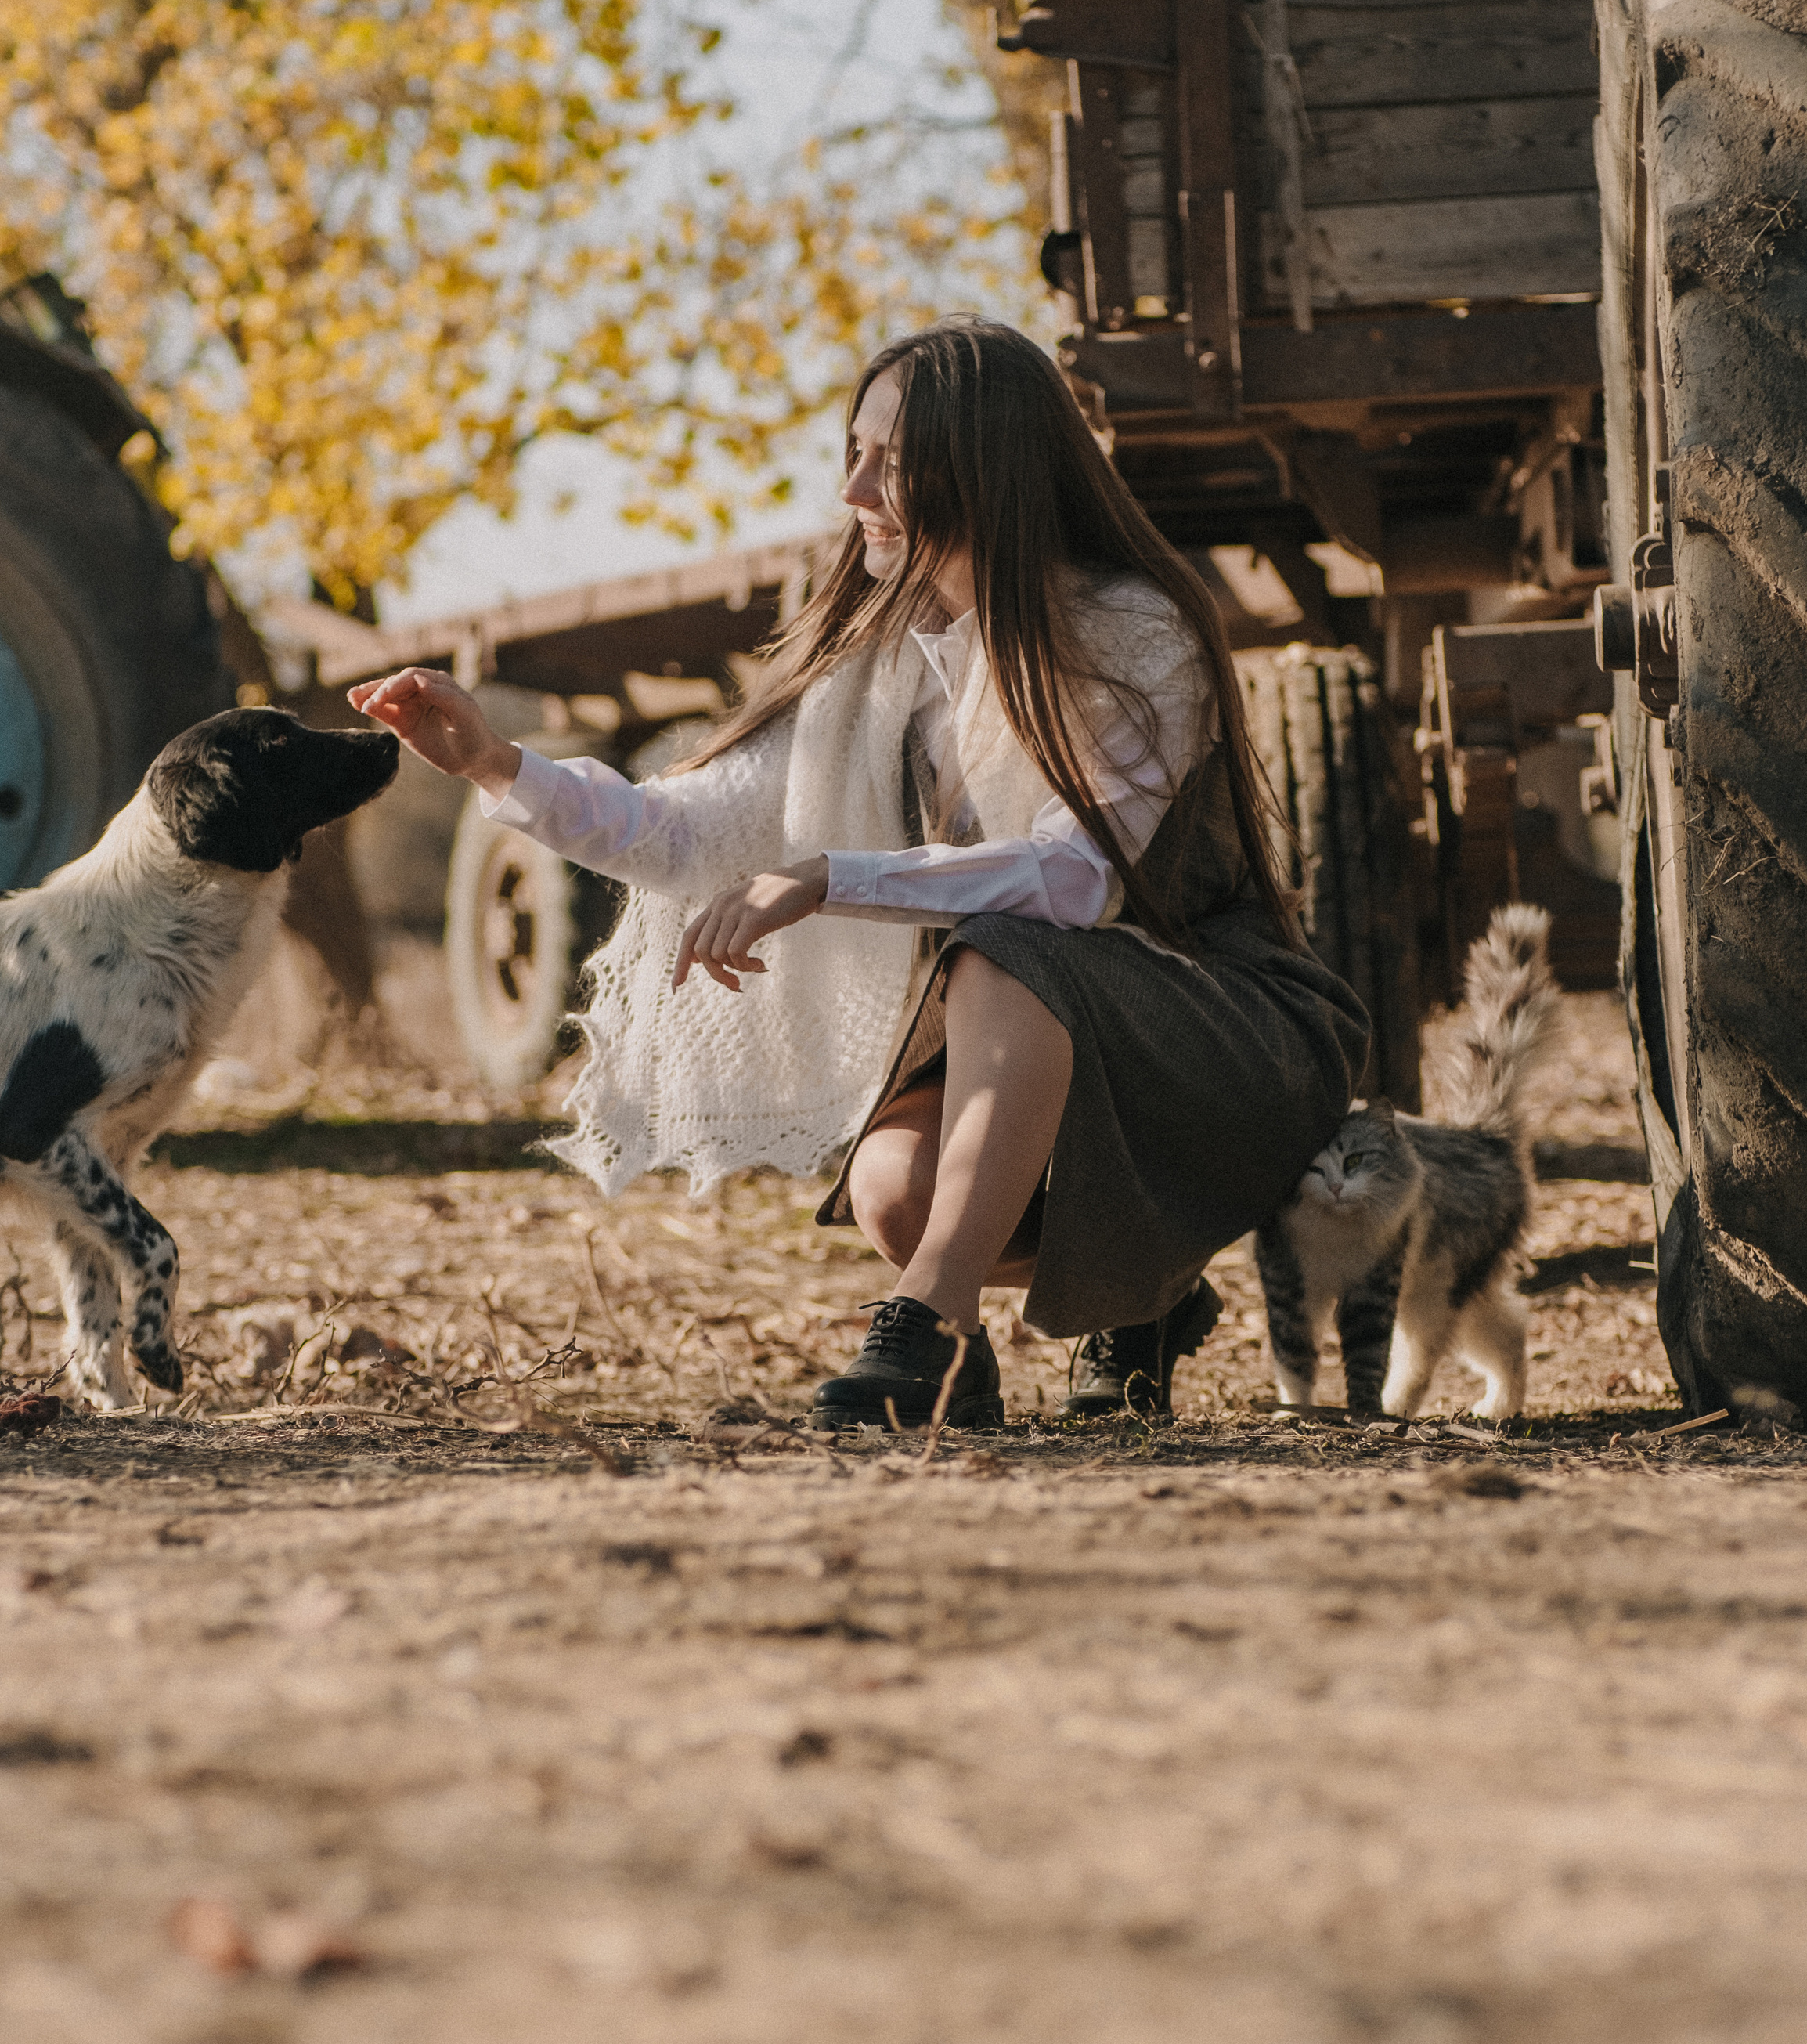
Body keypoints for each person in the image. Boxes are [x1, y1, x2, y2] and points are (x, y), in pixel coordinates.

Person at [350, 316, 1369, 1429]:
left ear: (987, 468)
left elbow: (1076, 883)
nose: (855, 491)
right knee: (894, 1192)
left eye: (893, 463)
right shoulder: (880, 673)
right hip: (1031, 1043)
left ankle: (927, 1322)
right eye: (854, 453)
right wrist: (497, 764)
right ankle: (1141, 1299)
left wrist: (828, 876)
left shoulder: (1138, 636)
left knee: (1004, 952)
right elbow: (682, 832)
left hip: (1223, 1036)